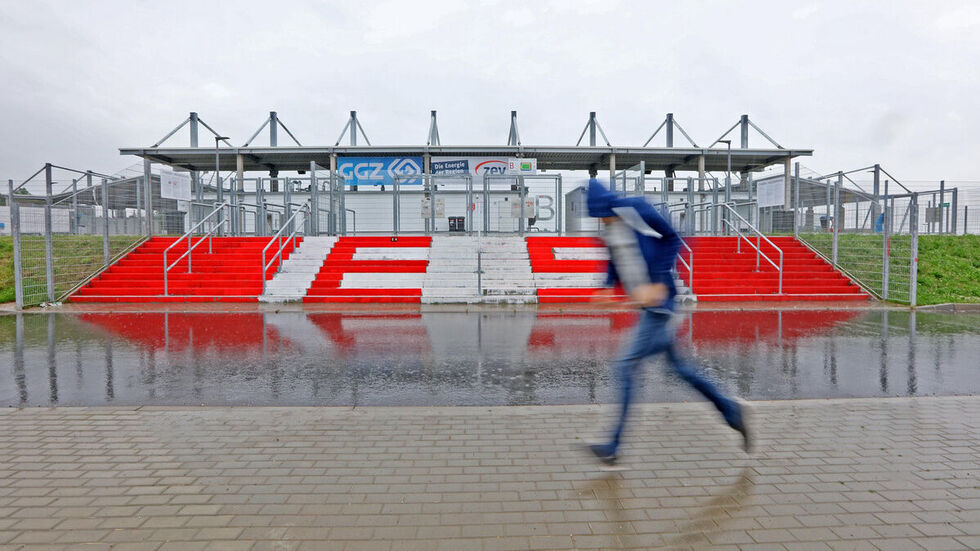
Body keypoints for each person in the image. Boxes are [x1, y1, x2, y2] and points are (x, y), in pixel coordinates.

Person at [585, 179, 751, 465]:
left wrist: (660, 281)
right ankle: (731, 411)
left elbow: (674, 237)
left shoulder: (637, 210)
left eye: (603, 214)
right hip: (648, 309)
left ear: (608, 205)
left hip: (660, 308)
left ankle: (613, 446)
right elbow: (615, 260)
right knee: (682, 369)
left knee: (624, 367)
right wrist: (606, 287)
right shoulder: (610, 230)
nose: (603, 221)